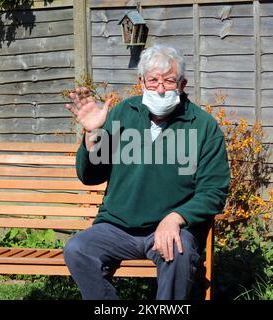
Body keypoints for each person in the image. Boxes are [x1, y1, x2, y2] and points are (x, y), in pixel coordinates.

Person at [63, 44, 230, 300]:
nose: (160, 88)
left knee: (180, 252)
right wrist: (92, 135)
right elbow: (90, 176)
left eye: (169, 81)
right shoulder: (121, 113)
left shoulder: (203, 126)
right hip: (117, 226)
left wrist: (175, 218)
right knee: (78, 249)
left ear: (183, 84)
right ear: (141, 82)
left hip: (170, 229)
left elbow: (214, 191)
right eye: (153, 80)